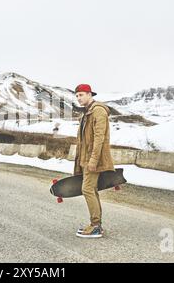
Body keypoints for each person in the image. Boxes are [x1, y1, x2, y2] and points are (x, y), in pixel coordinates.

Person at [73, 84, 115, 238]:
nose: (79, 98)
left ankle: (96, 226)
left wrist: (93, 160)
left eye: (81, 95)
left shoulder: (98, 111)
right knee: (91, 189)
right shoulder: (86, 113)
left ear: (90, 94)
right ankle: (96, 224)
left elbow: (99, 138)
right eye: (77, 95)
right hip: (86, 159)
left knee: (87, 189)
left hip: (93, 159)